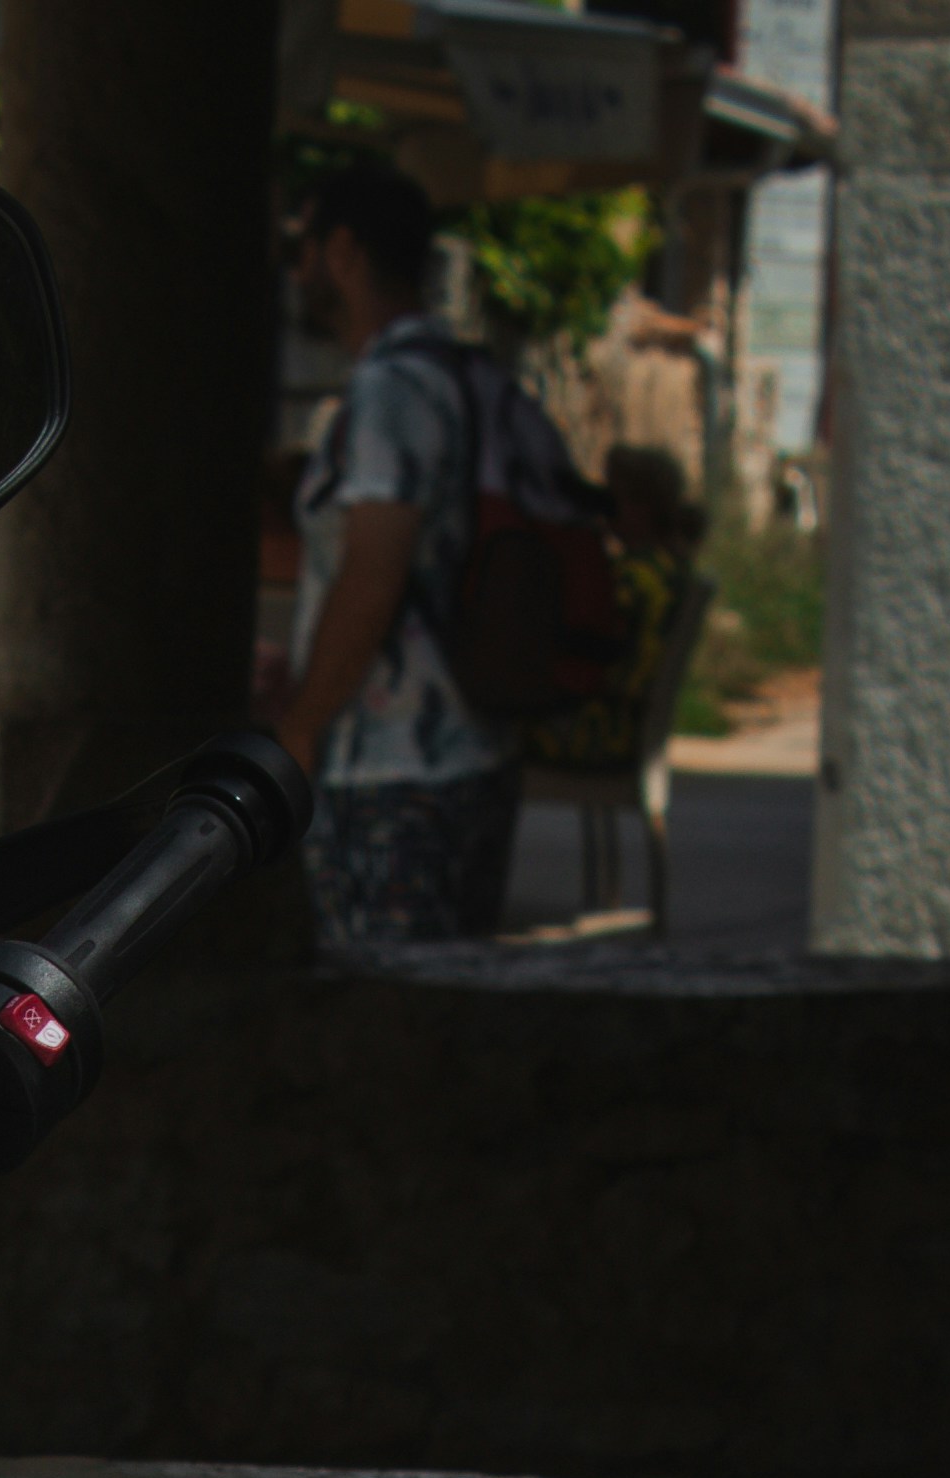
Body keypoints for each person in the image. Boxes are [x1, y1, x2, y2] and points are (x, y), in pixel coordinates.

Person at [275, 161, 521, 951]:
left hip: (394, 766)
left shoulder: (389, 390)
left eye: (302, 247)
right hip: (475, 746)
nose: (298, 270)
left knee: (385, 1012)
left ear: (343, 250)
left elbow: (373, 573)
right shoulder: (469, 374)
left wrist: (302, 728)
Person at [521, 446, 705, 779]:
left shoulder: (635, 579)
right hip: (622, 727)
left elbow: (591, 647)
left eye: (611, 498)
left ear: (642, 508)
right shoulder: (668, 568)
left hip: (599, 731)